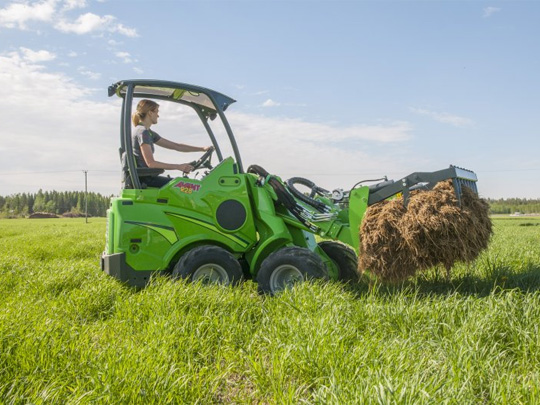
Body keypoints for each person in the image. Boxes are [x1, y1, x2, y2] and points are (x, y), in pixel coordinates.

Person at [129, 99, 213, 188]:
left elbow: (176, 146)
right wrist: (178, 166)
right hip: (147, 180)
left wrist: (202, 149)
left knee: (188, 185)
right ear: (150, 113)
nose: (158, 115)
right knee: (189, 187)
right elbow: (151, 164)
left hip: (148, 178)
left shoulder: (148, 132)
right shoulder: (143, 132)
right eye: (156, 112)